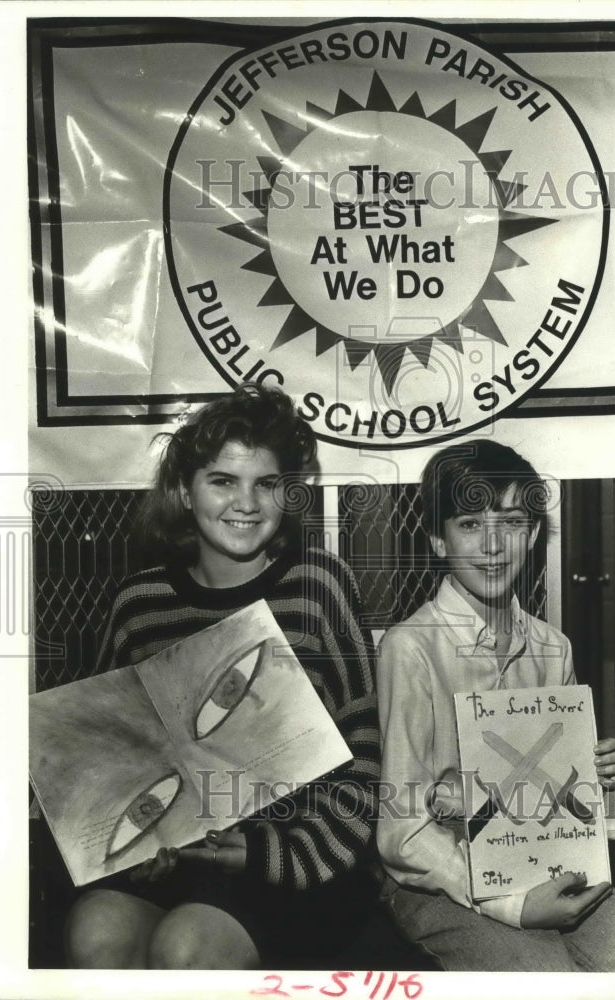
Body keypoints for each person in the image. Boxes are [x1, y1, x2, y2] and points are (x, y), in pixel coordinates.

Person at [65, 383, 380, 970]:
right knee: (96, 933)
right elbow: (107, 765)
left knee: (186, 947)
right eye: (223, 482)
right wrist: (129, 845)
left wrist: (271, 853)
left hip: (296, 863)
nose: (247, 503)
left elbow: (365, 756)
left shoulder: (318, 587)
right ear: (185, 492)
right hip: (176, 862)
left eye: (266, 484)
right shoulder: (140, 601)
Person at [376, 439, 615, 972]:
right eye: (469, 524)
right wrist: (512, 905)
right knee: (543, 975)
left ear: (533, 534)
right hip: (440, 878)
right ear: (437, 539)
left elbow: (558, 804)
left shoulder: (553, 647)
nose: (493, 545)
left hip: (542, 863)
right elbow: (402, 831)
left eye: (512, 522)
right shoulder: (411, 647)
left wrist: (591, 775)